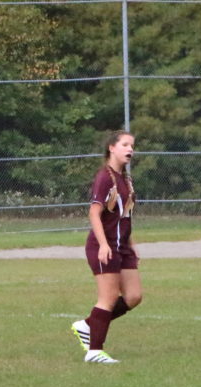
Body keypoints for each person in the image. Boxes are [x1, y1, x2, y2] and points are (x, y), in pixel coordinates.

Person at [70, 130, 143, 364]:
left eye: (132, 145)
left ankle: (89, 325)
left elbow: (125, 217)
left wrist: (131, 245)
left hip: (123, 247)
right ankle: (94, 351)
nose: (130, 149)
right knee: (109, 297)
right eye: (125, 145)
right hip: (105, 245)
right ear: (111, 148)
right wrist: (103, 244)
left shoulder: (126, 180)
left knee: (133, 296)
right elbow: (94, 213)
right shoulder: (105, 177)